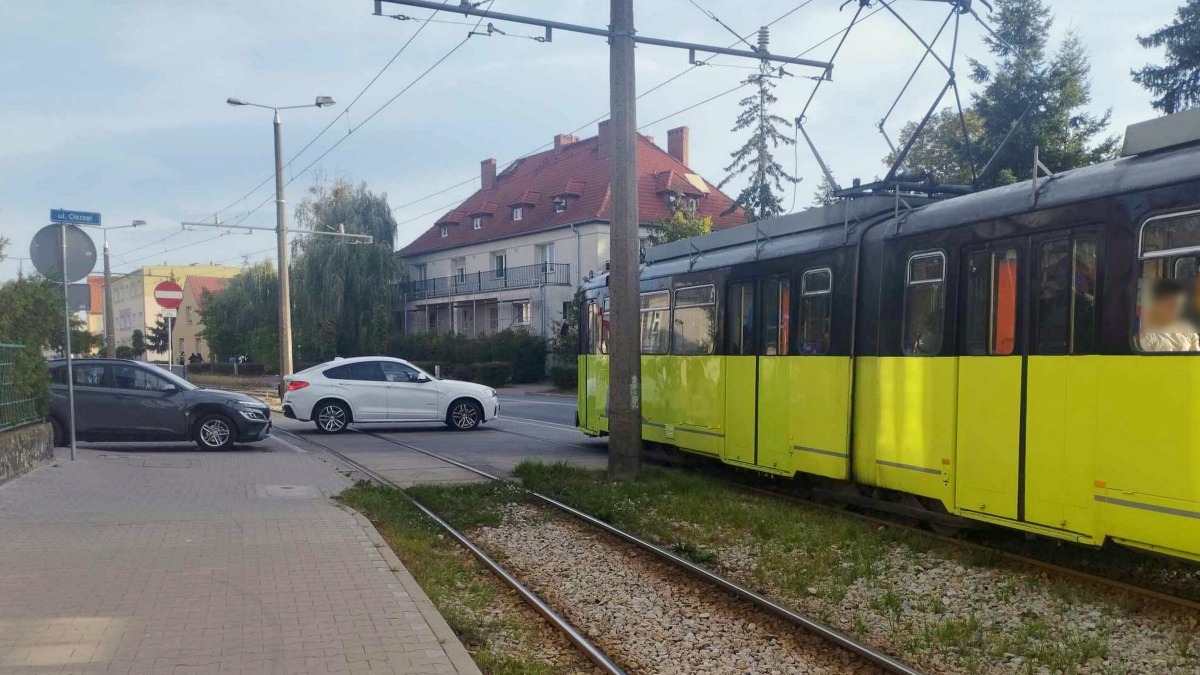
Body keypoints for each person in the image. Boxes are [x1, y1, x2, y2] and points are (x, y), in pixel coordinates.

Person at [1138, 278, 1200, 352]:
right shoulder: (1147, 334)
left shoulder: (1188, 329)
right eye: (1172, 305)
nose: (1177, 310)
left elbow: (1195, 358)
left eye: (1180, 306)